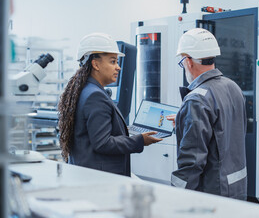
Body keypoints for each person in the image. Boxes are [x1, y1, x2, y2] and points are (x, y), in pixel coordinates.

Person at [58, 32, 162, 176]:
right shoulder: (95, 96)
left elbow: (91, 132)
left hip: (86, 172)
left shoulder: (85, 90)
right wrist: (139, 140)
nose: (118, 67)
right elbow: (103, 143)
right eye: (113, 61)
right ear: (96, 64)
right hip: (99, 177)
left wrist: (119, 128)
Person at [166, 28, 248, 200]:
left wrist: (174, 197)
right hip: (237, 189)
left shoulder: (196, 100)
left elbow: (191, 163)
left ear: (188, 61)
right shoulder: (233, 87)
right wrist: (185, 120)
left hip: (211, 194)